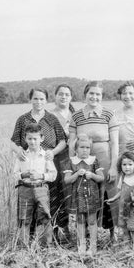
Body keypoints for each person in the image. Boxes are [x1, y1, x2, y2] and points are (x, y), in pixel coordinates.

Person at [10, 88, 67, 242]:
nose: (38, 102)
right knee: (26, 211)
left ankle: (50, 239)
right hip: (26, 162)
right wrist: (19, 151)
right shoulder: (23, 119)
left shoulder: (51, 118)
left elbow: (63, 141)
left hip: (46, 162)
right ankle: (28, 240)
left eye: (42, 99)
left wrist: (53, 152)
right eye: (35, 98)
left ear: (46, 100)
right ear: (31, 99)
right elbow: (13, 142)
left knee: (48, 206)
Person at [68, 81, 119, 243]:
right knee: (85, 193)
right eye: (91, 93)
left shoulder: (108, 114)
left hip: (104, 158)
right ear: (85, 95)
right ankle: (86, 234)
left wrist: (113, 166)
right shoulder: (76, 116)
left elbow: (114, 143)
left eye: (98, 94)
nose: (94, 97)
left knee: (109, 193)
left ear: (101, 97)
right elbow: (71, 142)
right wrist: (73, 165)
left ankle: (114, 233)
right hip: (83, 160)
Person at [12, 123, 57, 247]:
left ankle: (46, 246)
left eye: (35, 139)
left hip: (41, 188)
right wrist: (23, 175)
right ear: (25, 139)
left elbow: (53, 175)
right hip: (25, 189)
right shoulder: (21, 156)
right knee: (24, 219)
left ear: (41, 138)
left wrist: (41, 176)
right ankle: (24, 246)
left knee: (45, 217)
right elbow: (15, 173)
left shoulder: (46, 156)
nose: (32, 142)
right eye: (29, 139)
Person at [63, 134, 104, 256]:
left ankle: (93, 246)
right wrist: (76, 174)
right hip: (78, 197)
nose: (85, 150)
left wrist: (92, 175)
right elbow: (67, 180)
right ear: (76, 149)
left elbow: (101, 178)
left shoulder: (94, 160)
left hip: (92, 196)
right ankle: (81, 245)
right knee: (80, 221)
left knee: (92, 221)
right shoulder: (72, 162)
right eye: (82, 147)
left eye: (87, 147)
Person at [106, 151, 134, 252]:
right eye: (124, 164)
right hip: (123, 207)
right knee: (124, 226)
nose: (127, 167)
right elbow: (121, 191)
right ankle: (127, 245)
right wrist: (114, 198)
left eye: (130, 164)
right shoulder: (122, 178)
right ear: (120, 165)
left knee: (133, 227)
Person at [50, 84, 76, 244]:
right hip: (55, 159)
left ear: (71, 97)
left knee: (70, 195)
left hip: (72, 159)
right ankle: (55, 230)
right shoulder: (49, 115)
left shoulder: (75, 114)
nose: (63, 97)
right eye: (60, 94)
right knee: (55, 194)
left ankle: (68, 229)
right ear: (55, 96)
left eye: (67, 94)